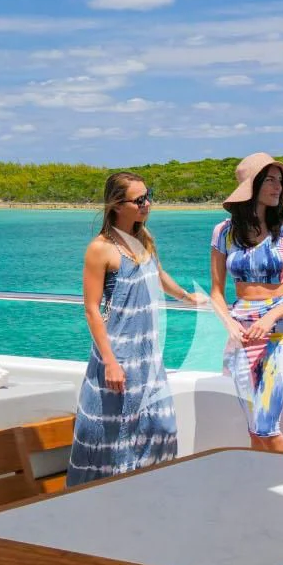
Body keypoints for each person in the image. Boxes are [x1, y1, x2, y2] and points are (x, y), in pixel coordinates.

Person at [67, 172, 204, 487]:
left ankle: (147, 496)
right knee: (113, 439)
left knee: (161, 429)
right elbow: (91, 308)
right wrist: (111, 361)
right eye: (139, 200)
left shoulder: (143, 240)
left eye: (148, 196)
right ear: (117, 205)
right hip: (118, 357)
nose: (147, 204)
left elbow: (158, 273)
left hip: (148, 358)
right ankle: (103, 504)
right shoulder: (100, 248)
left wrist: (186, 297)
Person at [208, 152, 283, 453]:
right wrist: (229, 324)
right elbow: (216, 292)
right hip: (240, 336)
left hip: (281, 332)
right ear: (252, 186)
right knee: (254, 432)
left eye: (279, 180)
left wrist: (269, 318)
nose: (277, 186)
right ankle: (264, 494)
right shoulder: (223, 233)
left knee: (266, 427)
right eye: (269, 179)